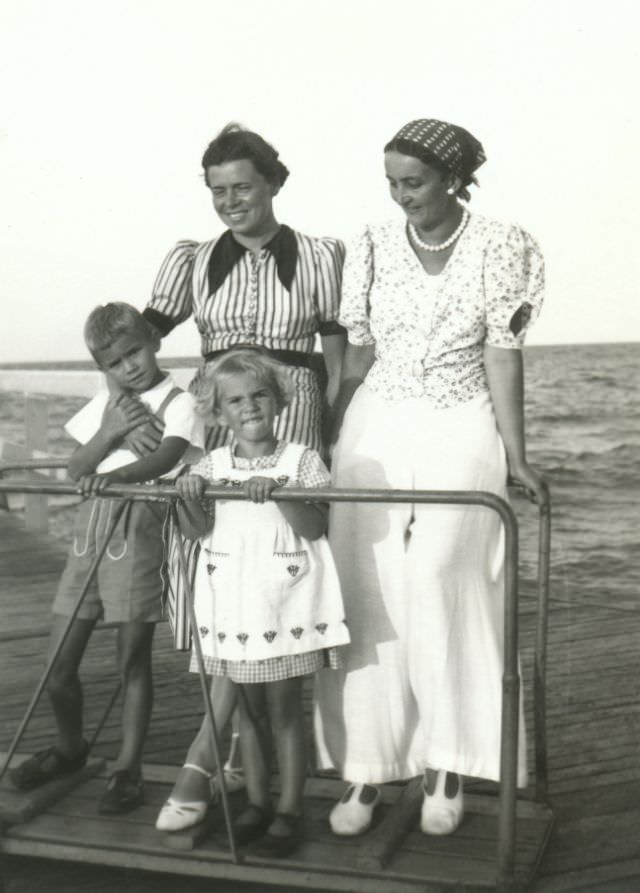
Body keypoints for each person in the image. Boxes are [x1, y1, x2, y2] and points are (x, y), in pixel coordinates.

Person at [313, 118, 545, 837]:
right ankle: (369, 765)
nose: (401, 195)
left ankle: (451, 758)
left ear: (452, 178)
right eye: (392, 182)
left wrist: (516, 453)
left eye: (413, 181)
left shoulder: (504, 243)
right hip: (379, 412)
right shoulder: (375, 244)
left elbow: (503, 355)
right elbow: (355, 355)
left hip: (461, 412)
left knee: (446, 572)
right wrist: (331, 431)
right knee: (364, 580)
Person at [143, 124, 346, 820]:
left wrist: (335, 425)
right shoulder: (192, 260)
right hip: (220, 417)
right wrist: (124, 409)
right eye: (218, 191)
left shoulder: (320, 255)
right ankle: (224, 759)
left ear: (273, 184)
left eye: (243, 187)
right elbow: (144, 337)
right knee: (218, 570)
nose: (231, 201)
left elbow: (338, 346)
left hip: (292, 414)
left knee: (282, 573)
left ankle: (225, 768)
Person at [8, 303, 204, 813]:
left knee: (132, 662)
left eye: (135, 351)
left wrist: (113, 476)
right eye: (115, 363)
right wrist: (111, 431)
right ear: (103, 368)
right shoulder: (111, 401)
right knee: (57, 668)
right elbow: (77, 465)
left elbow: (165, 459)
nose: (129, 367)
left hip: (138, 534)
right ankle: (71, 748)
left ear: (153, 341)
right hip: (88, 536)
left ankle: (128, 768)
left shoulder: (180, 402)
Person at [156, 349, 349, 857]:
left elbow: (315, 527)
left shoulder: (301, 460)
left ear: (279, 401)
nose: (250, 407)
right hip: (234, 606)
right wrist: (190, 494)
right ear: (219, 413)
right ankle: (258, 803)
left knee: (285, 710)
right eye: (235, 400)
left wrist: (282, 492)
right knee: (247, 713)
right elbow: (196, 533)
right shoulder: (212, 464)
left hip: (282, 604)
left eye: (260, 395)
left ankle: (289, 809)